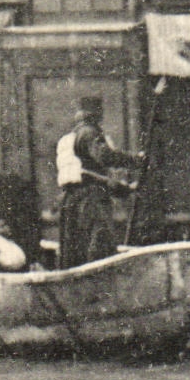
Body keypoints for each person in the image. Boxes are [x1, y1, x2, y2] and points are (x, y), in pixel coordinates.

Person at [56, 97, 142, 269]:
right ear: (97, 115)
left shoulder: (66, 140)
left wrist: (123, 189)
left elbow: (86, 174)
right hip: (90, 203)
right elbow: (104, 158)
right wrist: (136, 160)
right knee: (98, 250)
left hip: (70, 202)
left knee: (75, 255)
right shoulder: (89, 133)